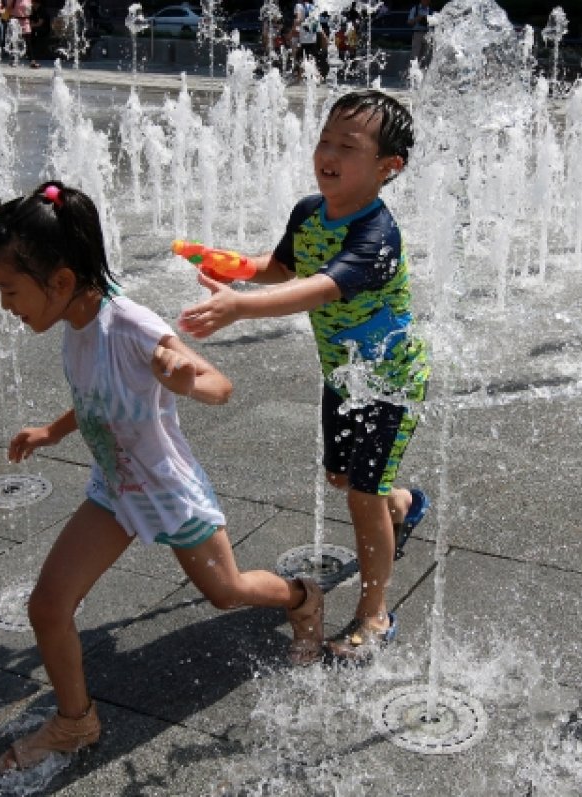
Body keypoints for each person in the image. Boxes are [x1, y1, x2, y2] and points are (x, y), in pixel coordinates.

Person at [0, 181, 325, 773]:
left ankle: (302, 596)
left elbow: (221, 386)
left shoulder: (133, 325)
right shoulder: (77, 318)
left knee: (228, 592)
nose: (7, 305)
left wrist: (186, 378)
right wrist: (53, 431)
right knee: (48, 607)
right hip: (114, 488)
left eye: (11, 291)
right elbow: (98, 398)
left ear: (61, 282)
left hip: (168, 490)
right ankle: (75, 721)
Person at [178, 91, 432, 662]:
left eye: (348, 145)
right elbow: (286, 268)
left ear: (389, 167)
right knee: (344, 479)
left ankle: (375, 613)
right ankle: (406, 503)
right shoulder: (308, 212)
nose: (329, 153)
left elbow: (321, 287)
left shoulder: (377, 236)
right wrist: (236, 268)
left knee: (360, 497)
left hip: (390, 382)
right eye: (325, 140)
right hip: (342, 378)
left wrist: (241, 308)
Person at [27, 0, 51, 68]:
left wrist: (30, 25)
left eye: (31, 2)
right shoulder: (33, 10)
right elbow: (31, 20)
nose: (30, 4)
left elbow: (40, 23)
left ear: (35, 3)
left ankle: (33, 54)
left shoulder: (41, 10)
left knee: (31, 33)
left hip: (43, 29)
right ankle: (31, 53)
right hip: (36, 28)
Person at [408, 0, 431, 67]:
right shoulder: (415, 9)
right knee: (415, 54)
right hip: (417, 33)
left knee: (425, 55)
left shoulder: (430, 10)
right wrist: (418, 18)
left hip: (428, 34)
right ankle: (412, 72)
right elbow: (409, 22)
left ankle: (423, 72)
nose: (426, 2)